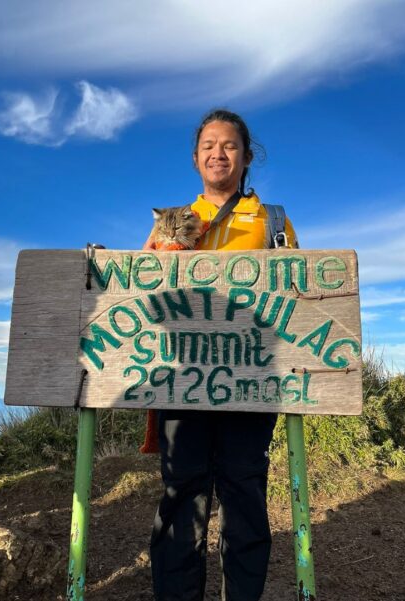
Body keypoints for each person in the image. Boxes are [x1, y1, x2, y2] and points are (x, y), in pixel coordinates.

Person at [144, 108, 297, 600]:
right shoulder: (171, 222)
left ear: (247, 157)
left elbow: (298, 296)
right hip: (182, 378)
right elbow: (142, 294)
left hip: (252, 378)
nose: (218, 153)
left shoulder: (273, 221)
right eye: (208, 145)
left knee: (245, 491)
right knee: (181, 493)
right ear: (195, 158)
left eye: (229, 145)